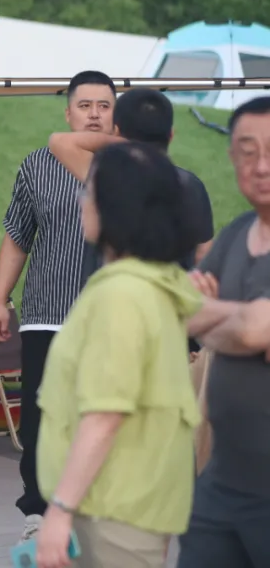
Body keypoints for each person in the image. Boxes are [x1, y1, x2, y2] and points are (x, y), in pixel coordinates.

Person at [34, 141, 270, 568]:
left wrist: (60, 510)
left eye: (89, 191)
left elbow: (105, 416)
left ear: (116, 208)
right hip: (133, 505)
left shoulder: (121, 296)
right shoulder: (161, 281)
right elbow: (238, 319)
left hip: (108, 511)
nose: (81, 201)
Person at [0, 70, 116, 542]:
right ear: (68, 113)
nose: (94, 114)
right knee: (42, 418)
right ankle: (38, 513)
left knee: (105, 415)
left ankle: (99, 513)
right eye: (85, 105)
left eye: (104, 106)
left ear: (115, 115)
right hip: (48, 315)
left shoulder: (131, 166)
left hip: (113, 320)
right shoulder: (37, 166)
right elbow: (17, 236)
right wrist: (0, 300)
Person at [45, 87, 216, 355]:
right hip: (172, 322)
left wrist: (125, 142)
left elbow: (60, 142)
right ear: (171, 135)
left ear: (115, 131)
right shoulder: (191, 185)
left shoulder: (108, 177)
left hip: (108, 321)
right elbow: (204, 254)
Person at [176, 96, 270, 568]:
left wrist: (216, 315)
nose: (261, 166)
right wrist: (239, 320)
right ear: (232, 157)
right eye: (248, 152)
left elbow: (255, 330)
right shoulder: (235, 234)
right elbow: (183, 310)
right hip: (222, 479)